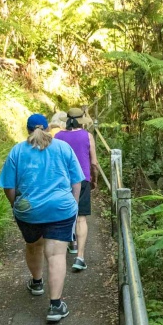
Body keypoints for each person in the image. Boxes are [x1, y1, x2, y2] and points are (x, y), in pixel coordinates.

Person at [0, 114, 84, 322]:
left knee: (34, 245)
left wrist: (16, 206)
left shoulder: (17, 151)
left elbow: (9, 186)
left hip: (29, 210)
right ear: (48, 128)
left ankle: (37, 283)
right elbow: (76, 181)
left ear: (27, 129)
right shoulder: (63, 148)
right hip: (60, 209)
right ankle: (55, 306)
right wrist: (73, 204)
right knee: (55, 255)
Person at [55, 107, 98, 271]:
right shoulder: (87, 136)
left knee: (65, 214)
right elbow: (94, 163)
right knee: (81, 218)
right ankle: (80, 257)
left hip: (62, 181)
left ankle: (71, 243)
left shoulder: (58, 137)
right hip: (82, 179)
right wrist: (94, 180)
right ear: (82, 119)